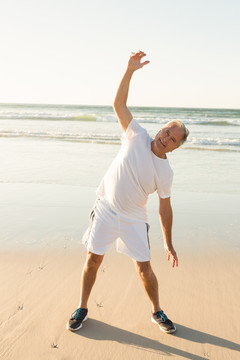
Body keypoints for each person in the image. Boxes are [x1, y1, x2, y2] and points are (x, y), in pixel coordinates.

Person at [66, 51, 189, 334]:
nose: (165, 138)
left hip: (134, 218)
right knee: (92, 260)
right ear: (160, 129)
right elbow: (118, 103)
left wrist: (168, 244)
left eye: (172, 139)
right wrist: (130, 70)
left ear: (175, 147)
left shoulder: (166, 173)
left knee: (144, 269)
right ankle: (83, 307)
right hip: (107, 209)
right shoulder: (135, 134)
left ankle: (157, 312)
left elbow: (165, 209)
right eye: (166, 131)